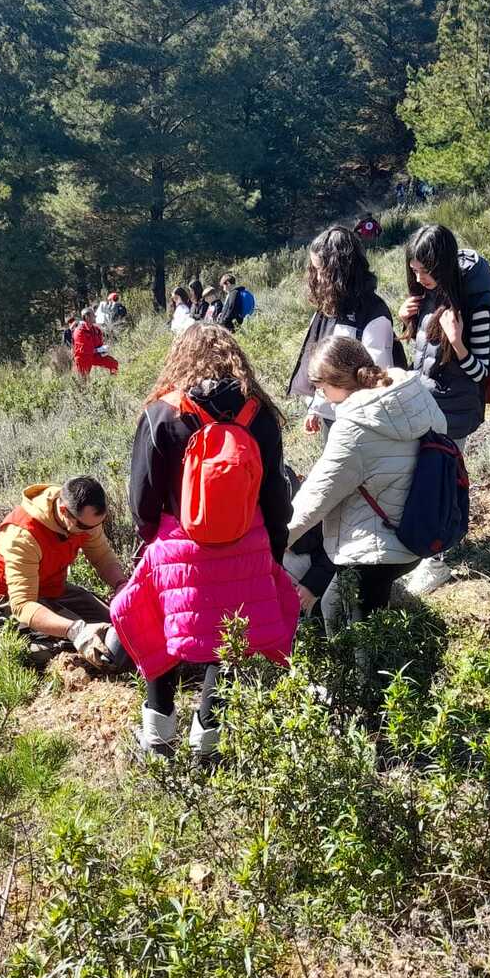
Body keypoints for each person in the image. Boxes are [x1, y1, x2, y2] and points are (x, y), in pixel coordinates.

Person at [113, 324, 300, 760]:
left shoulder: (163, 413)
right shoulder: (259, 415)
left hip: (179, 547)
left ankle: (158, 735)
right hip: (247, 545)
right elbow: (276, 494)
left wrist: (156, 540)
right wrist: (270, 550)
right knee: (229, 641)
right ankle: (208, 741)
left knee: (158, 628)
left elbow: (141, 500)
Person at [286, 336, 449, 631]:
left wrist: (276, 542)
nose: (322, 398)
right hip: (421, 529)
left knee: (344, 619)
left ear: (338, 382)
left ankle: (363, 677)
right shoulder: (413, 396)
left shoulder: (354, 428)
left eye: (322, 389)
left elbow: (317, 495)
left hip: (378, 547)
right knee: (345, 608)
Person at [0, 476, 132, 672]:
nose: (90, 531)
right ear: (64, 511)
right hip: (4, 596)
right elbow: (23, 605)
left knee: (115, 627)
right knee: (84, 647)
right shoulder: (23, 535)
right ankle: (3, 653)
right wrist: (75, 630)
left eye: (96, 525)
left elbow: (102, 557)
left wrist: (121, 585)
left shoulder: (83, 516)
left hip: (49, 585)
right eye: (84, 527)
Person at [289, 226, 395, 437]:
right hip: (334, 415)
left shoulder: (373, 314)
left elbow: (378, 379)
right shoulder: (329, 308)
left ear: (339, 271)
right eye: (315, 270)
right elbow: (324, 365)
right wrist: (316, 408)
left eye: (321, 271)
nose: (317, 278)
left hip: (358, 424)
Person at [398, 224, 490, 441]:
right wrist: (407, 322)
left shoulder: (476, 305)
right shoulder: (427, 294)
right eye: (414, 271)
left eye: (425, 271)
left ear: (442, 266)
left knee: (448, 474)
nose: (418, 279)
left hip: (454, 415)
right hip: (423, 405)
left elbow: (481, 373)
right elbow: (426, 353)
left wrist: (457, 343)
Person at [71, 306, 119, 378]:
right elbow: (83, 350)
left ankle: (114, 381)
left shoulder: (96, 329)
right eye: (93, 315)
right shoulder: (79, 331)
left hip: (95, 355)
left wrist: (103, 350)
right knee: (84, 380)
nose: (95, 316)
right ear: (87, 317)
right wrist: (98, 350)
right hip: (83, 357)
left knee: (113, 363)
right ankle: (84, 388)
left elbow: (99, 344)